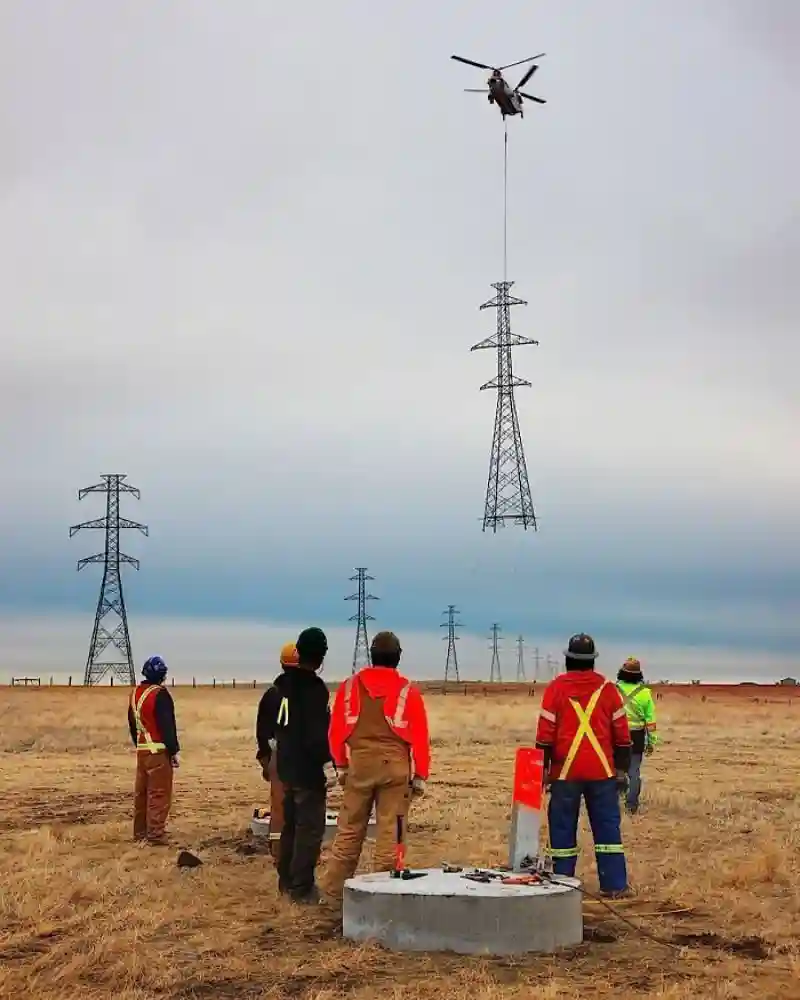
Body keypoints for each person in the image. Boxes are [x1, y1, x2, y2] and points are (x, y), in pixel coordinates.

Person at [323, 631, 430, 905]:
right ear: (398, 658)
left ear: (372, 656)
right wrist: (420, 775)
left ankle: (334, 896)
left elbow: (335, 732)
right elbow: (420, 735)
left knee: (348, 832)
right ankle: (384, 899)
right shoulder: (408, 690)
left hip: (359, 766)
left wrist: (342, 765)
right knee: (390, 835)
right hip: (395, 769)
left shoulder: (349, 687)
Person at [535, 634, 632, 897]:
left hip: (564, 773)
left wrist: (542, 772)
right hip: (602, 772)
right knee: (607, 829)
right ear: (592, 662)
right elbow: (623, 736)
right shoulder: (608, 690)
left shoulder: (556, 689)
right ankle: (614, 885)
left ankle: (562, 884)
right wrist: (622, 770)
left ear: (568, 659)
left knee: (562, 828)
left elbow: (544, 736)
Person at [272, 627, 334, 904]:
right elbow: (316, 734)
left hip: (286, 766)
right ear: (321, 658)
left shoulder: (283, 685)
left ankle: (285, 881)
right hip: (308, 772)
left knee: (291, 826)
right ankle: (302, 889)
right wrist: (327, 764)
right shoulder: (315, 689)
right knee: (309, 830)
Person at [255, 642, 300, 867]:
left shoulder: (272, 694)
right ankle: (301, 855)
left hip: (278, 757)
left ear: (282, 664)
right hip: (304, 760)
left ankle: (278, 853)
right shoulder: (311, 693)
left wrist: (265, 760)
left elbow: (262, 731)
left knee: (279, 807)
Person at [127, 655, 180, 846]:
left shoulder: (135, 694)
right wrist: (173, 751)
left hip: (142, 750)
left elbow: (133, 726)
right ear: (163, 675)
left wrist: (140, 745)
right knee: (158, 793)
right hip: (158, 751)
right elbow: (167, 726)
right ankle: (156, 835)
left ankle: (140, 833)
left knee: (142, 793)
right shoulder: (160, 694)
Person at [616, 657, 659, 815]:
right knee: (634, 771)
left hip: (615, 735)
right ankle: (632, 805)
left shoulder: (613, 690)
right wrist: (651, 741)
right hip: (637, 737)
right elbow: (650, 720)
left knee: (614, 770)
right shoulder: (645, 693)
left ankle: (612, 803)